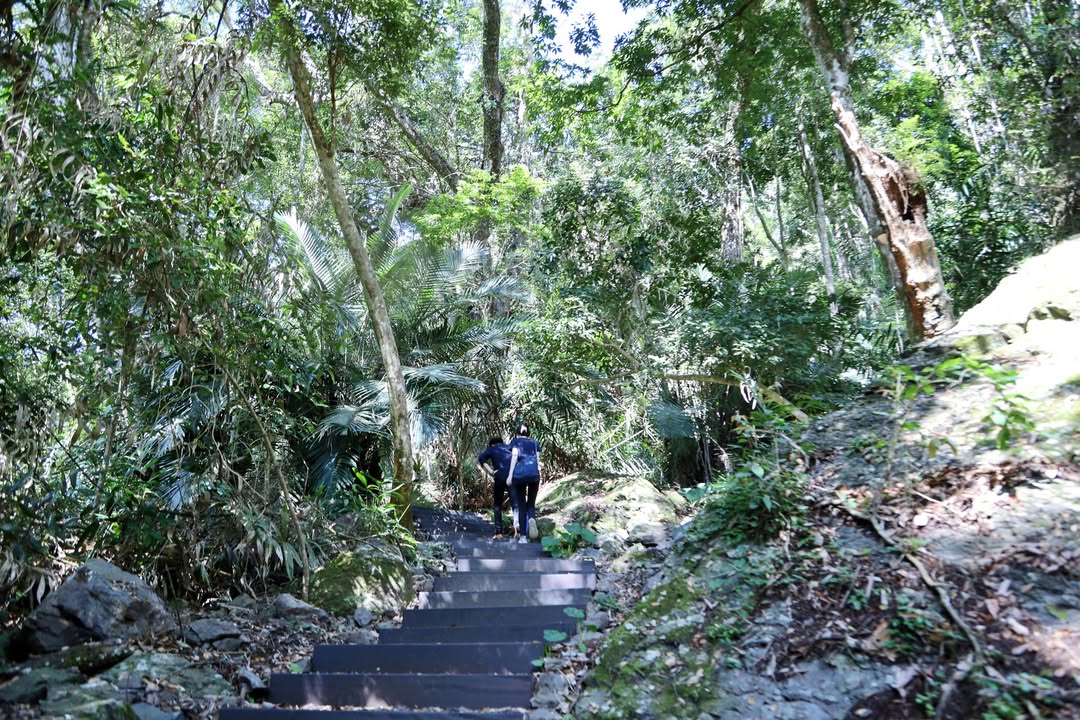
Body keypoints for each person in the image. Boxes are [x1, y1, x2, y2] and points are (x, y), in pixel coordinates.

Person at [506, 424, 541, 544]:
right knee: (531, 504)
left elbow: (514, 456)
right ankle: (531, 518)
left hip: (520, 476)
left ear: (517, 433)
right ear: (529, 433)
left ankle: (523, 537)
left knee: (522, 506)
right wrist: (537, 474)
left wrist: (510, 476)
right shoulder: (534, 443)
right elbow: (537, 460)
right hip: (534, 475)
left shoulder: (516, 442)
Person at [477, 436, 515, 538]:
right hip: (512, 476)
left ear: (492, 444)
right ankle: (518, 531)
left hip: (500, 476)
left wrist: (491, 472)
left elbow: (481, 458)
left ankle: (499, 533)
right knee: (515, 503)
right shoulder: (509, 447)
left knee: (497, 504)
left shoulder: (492, 448)